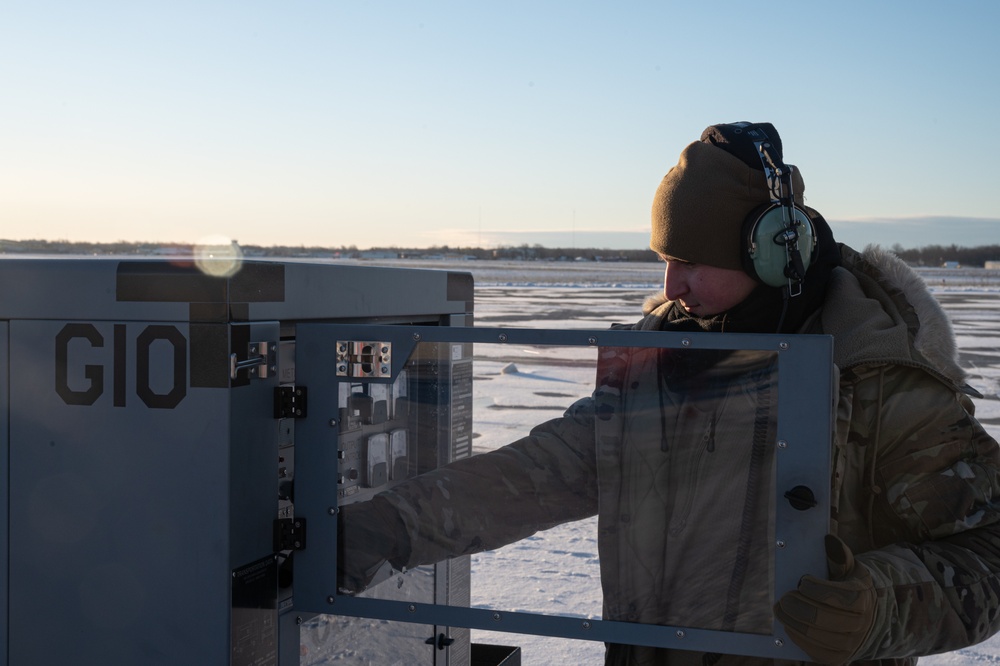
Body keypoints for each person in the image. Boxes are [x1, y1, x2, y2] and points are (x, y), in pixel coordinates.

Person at [339, 122, 1000, 665]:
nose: (672, 284)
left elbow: (989, 552)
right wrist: (388, 527)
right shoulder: (665, 358)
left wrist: (879, 609)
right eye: (665, 257)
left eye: (692, 261)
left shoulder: (881, 383)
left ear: (775, 254)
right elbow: (545, 472)